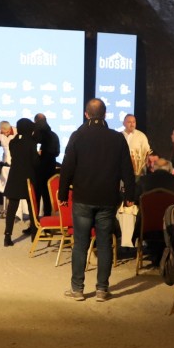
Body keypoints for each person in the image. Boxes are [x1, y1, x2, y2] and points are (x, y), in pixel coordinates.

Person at [58, 98, 135, 301]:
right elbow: (127, 169)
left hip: (83, 197)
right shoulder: (117, 138)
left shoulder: (77, 135)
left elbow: (67, 167)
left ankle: (77, 289)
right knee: (104, 244)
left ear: (86, 114)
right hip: (108, 199)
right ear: (105, 114)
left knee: (80, 244)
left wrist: (62, 194)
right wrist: (130, 195)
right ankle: (102, 289)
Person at [2, 118, 39, 246]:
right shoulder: (31, 142)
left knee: (12, 208)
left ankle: (7, 236)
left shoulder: (13, 142)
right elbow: (35, 161)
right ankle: (34, 234)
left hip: (14, 177)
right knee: (32, 206)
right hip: (28, 178)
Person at [34, 112, 60, 218]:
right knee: (47, 193)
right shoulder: (54, 135)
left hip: (39, 168)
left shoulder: (36, 136)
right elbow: (57, 152)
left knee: (37, 193)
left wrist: (40, 154)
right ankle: (47, 216)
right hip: (50, 167)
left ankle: (35, 219)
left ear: (35, 122)